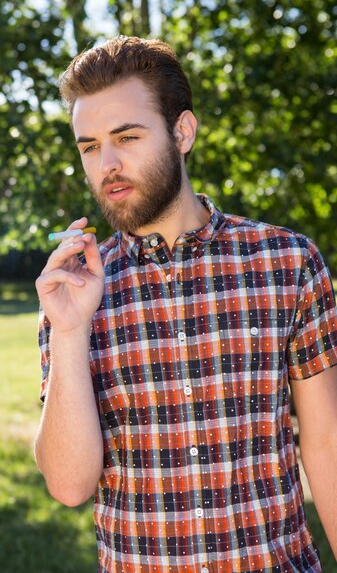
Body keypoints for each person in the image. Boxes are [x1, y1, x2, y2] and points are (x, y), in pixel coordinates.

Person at [34, 36, 337, 573]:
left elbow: (327, 445)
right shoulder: (71, 292)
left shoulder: (287, 263)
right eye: (88, 146)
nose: (106, 164)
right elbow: (69, 485)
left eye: (127, 136)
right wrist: (69, 331)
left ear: (182, 132)